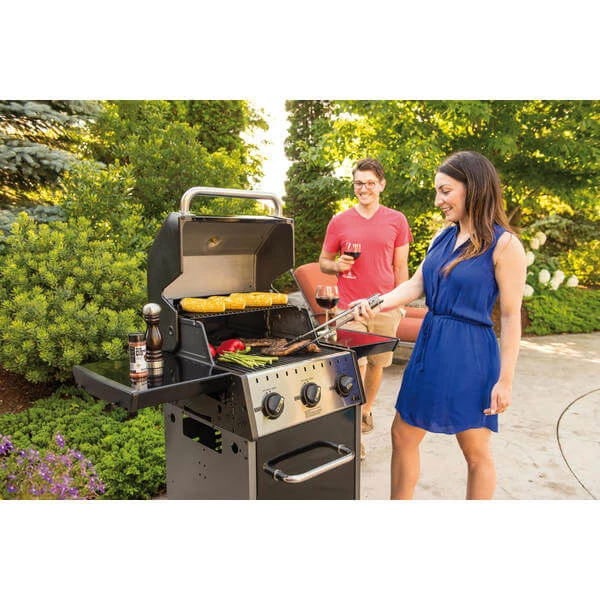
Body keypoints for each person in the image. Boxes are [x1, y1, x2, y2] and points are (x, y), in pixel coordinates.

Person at [354, 151, 527, 499]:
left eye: (445, 191)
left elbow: (511, 317)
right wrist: (374, 303)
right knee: (402, 434)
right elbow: (415, 285)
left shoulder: (505, 245)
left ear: (473, 187)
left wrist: (505, 381)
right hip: (430, 347)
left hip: (471, 354)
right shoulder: (442, 237)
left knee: (475, 451)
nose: (438, 201)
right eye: (437, 192)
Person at [319, 158, 413, 458]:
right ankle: (352, 430)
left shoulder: (396, 220)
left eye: (370, 183)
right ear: (354, 185)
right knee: (354, 363)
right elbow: (324, 261)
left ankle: (365, 412)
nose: (364, 188)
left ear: (381, 184)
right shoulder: (339, 221)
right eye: (359, 183)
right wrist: (336, 265)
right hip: (349, 307)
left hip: (384, 305)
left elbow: (401, 267)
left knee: (377, 364)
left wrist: (400, 304)